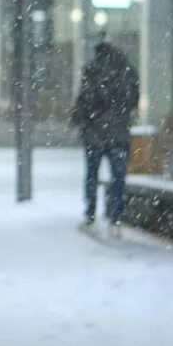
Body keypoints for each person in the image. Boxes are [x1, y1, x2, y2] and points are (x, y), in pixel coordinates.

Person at [71, 39, 139, 234]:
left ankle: (90, 216)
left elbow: (86, 98)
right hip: (119, 133)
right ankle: (115, 219)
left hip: (95, 133)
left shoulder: (93, 69)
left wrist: (80, 118)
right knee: (118, 177)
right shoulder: (127, 70)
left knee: (92, 174)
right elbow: (133, 99)